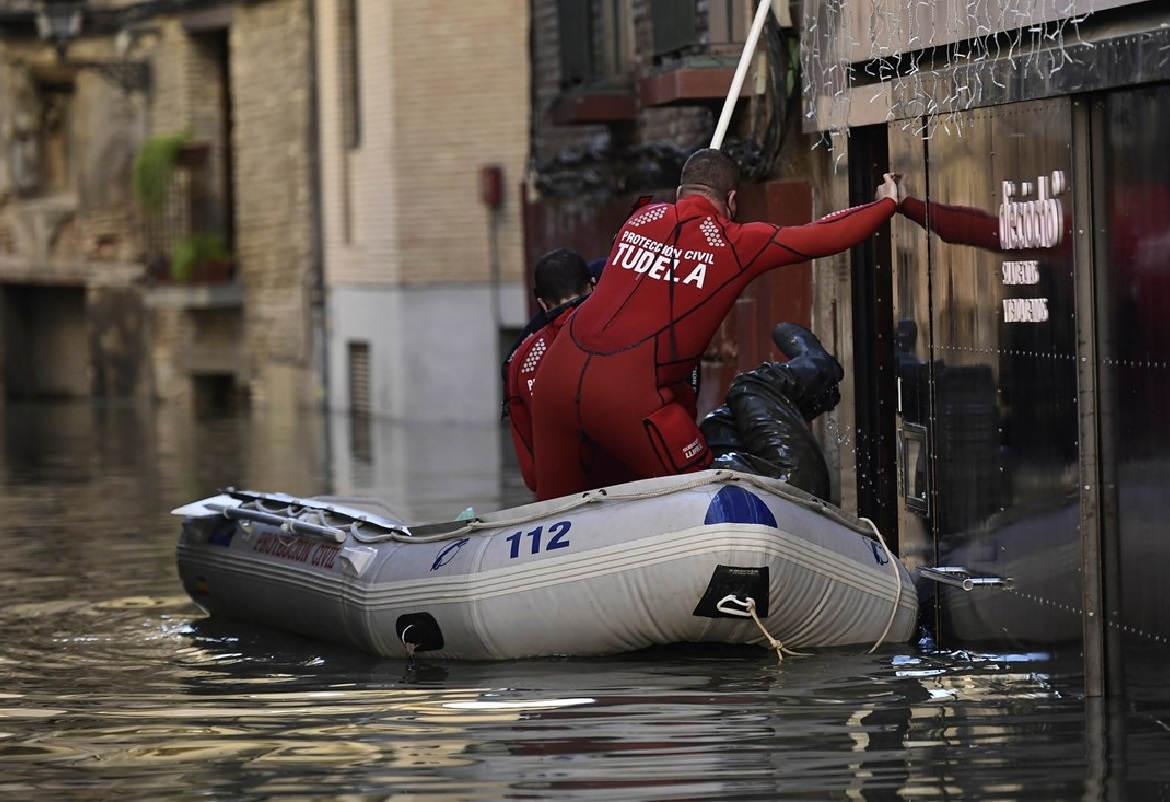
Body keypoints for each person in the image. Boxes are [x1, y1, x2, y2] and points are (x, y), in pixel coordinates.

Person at [529, 148, 901, 501]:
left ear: (679, 192)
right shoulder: (735, 241)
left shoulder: (639, 218)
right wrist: (886, 203)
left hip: (554, 380)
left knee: (552, 517)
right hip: (629, 396)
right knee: (705, 496)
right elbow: (822, 235)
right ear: (733, 201)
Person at [502, 248, 596, 492]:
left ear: (542, 304)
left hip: (559, 505)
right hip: (633, 488)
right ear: (593, 285)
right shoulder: (622, 332)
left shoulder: (522, 360)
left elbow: (532, 469)